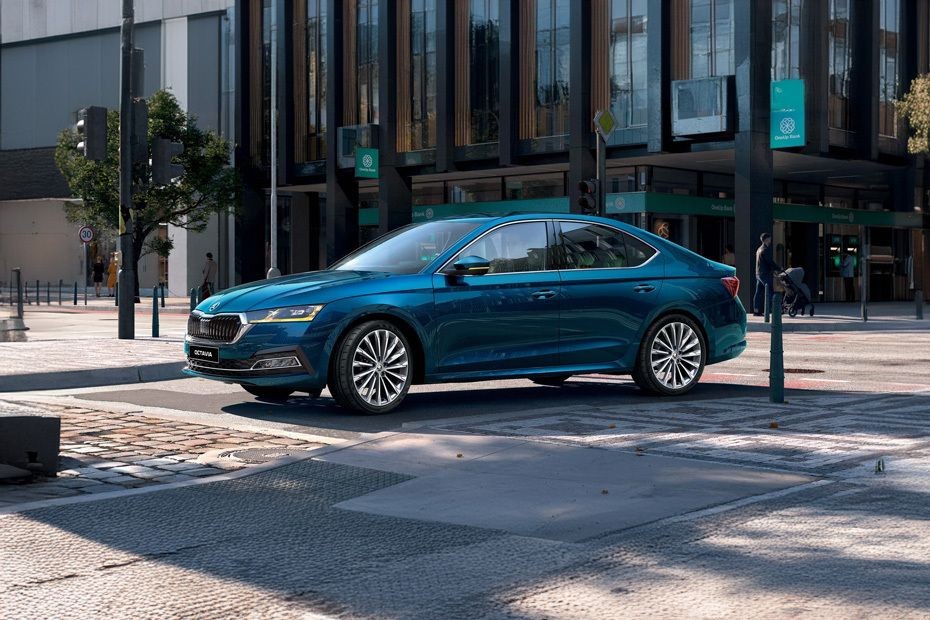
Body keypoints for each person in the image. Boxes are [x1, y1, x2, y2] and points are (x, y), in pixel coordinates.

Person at [753, 233, 778, 316]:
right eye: (770, 239)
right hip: (764, 274)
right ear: (766, 239)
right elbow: (769, 262)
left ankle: (756, 310)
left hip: (758, 273)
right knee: (770, 290)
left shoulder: (759, 249)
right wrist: (778, 268)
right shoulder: (765, 249)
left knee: (758, 292)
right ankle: (772, 309)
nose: (770, 241)